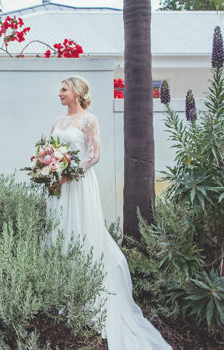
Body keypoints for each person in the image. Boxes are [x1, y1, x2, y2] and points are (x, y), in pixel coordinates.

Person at [47, 76, 171, 350]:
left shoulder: (89, 120)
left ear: (77, 93)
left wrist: (69, 173)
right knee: (60, 233)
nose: (59, 93)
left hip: (78, 185)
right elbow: (48, 152)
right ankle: (63, 295)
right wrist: (47, 168)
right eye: (60, 90)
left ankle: (89, 295)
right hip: (58, 189)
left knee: (82, 231)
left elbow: (94, 155)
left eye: (64, 89)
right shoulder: (57, 122)